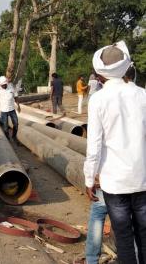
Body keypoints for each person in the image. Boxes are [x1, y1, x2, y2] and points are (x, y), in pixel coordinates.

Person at [84, 41, 146, 264]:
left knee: (124, 238)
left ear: (100, 74)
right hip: (142, 179)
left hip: (115, 184)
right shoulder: (143, 95)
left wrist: (89, 179)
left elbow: (95, 146)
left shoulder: (98, 100)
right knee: (144, 236)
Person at [0, 76, 21, 141]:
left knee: (16, 124)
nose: (4, 86)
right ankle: (7, 138)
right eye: (2, 85)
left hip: (12, 110)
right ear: (0, 84)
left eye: (5, 84)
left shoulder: (11, 88)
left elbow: (16, 97)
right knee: (5, 126)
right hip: (4, 111)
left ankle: (14, 136)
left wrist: (18, 106)